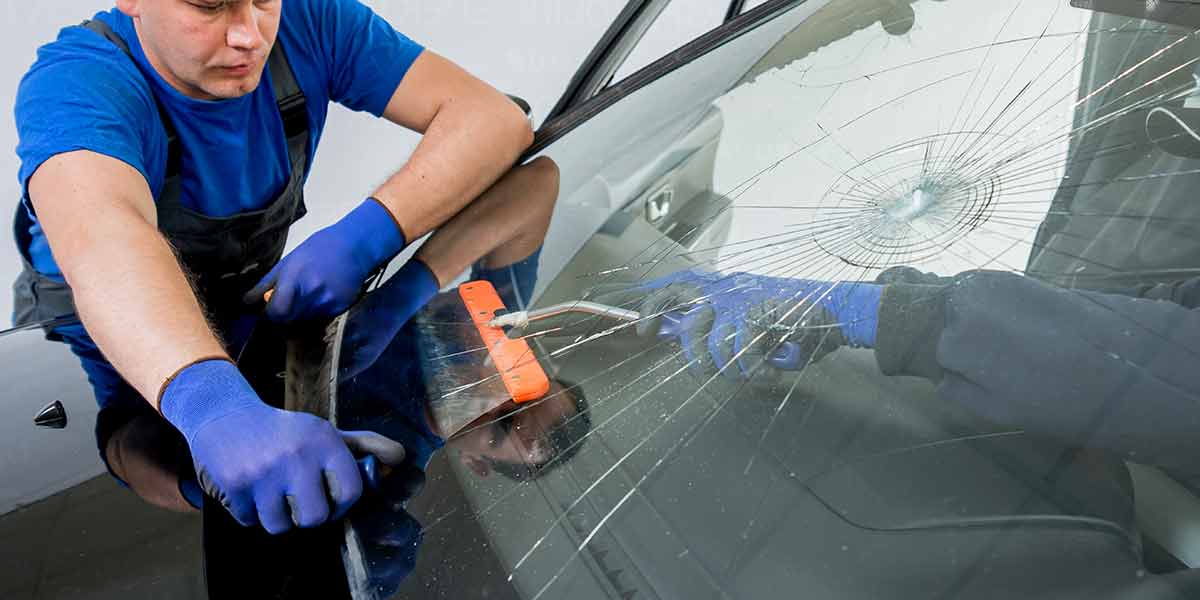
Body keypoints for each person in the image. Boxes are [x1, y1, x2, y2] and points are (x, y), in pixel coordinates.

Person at [12, 0, 533, 535]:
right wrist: (214, 410)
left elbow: (492, 119)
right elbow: (105, 240)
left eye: (264, 0)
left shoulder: (313, 22)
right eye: (210, 5)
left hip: (243, 314)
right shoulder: (77, 83)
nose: (249, 35)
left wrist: (366, 237)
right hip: (109, 341)